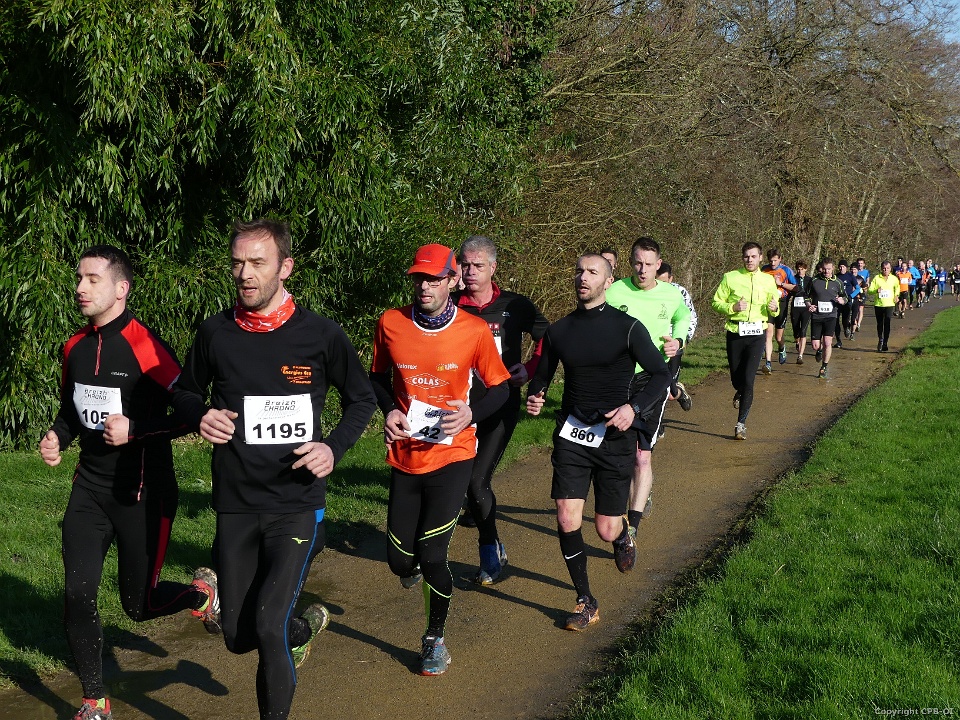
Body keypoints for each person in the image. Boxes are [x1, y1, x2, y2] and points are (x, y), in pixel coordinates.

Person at [172, 219, 376, 719]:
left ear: (285, 267)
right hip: (237, 502)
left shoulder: (321, 334)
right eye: (237, 263)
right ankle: (299, 632)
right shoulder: (215, 332)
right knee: (238, 637)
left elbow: (362, 399)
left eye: (257, 263)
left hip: (296, 502)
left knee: (267, 626)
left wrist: (333, 448)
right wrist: (200, 414)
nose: (244, 274)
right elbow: (183, 391)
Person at [40, 245, 218, 720]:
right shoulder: (74, 347)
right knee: (77, 595)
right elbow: (72, 410)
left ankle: (201, 595)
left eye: (92, 279)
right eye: (79, 278)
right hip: (90, 490)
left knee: (139, 606)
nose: (80, 288)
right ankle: (94, 701)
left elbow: (190, 412)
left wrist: (136, 430)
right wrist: (57, 436)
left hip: (143, 494)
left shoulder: (145, 346)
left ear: (121, 289)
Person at [370, 243, 511, 675]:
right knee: (400, 560)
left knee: (433, 554)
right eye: (419, 278)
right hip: (406, 454)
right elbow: (376, 377)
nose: (424, 286)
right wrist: (389, 410)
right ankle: (410, 568)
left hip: (454, 453)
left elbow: (501, 388)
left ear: (453, 280)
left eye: (433, 279)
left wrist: (472, 413)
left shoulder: (474, 330)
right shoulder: (391, 323)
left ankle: (435, 640)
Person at [526, 253, 670, 631]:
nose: (583, 277)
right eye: (579, 271)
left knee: (605, 528)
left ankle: (622, 538)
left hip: (614, 436)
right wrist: (536, 394)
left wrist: (633, 408)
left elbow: (660, 375)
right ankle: (586, 601)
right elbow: (542, 375)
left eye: (592, 272)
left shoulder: (628, 328)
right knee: (566, 515)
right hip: (572, 433)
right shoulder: (559, 331)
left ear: (608, 281)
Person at [455, 235, 549, 584]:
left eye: (478, 265)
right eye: (465, 264)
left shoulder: (516, 305)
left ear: (493, 268)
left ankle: (490, 551)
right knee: (460, 484)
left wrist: (531, 368)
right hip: (457, 406)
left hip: (499, 403)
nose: (470, 272)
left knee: (476, 481)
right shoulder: (449, 305)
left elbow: (548, 338)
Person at [606, 238, 690, 543]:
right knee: (621, 451)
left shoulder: (671, 293)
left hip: (653, 379)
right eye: (638, 263)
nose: (642, 270)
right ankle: (622, 505)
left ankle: (632, 528)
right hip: (617, 378)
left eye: (649, 264)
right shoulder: (615, 291)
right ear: (631, 262)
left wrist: (678, 341)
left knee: (642, 455)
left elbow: (683, 317)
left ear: (659, 265)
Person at [711, 242, 780, 440]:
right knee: (736, 377)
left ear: (760, 258)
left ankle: (741, 424)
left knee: (749, 379)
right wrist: (732, 308)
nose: (749, 260)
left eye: (753, 256)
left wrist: (774, 308)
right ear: (742, 258)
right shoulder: (730, 277)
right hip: (735, 332)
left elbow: (775, 307)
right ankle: (740, 391)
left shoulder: (768, 280)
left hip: (757, 334)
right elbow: (715, 302)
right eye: (746, 256)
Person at [656, 261, 697, 411]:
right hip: (654, 344)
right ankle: (654, 421)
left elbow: (690, 317)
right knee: (656, 385)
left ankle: (679, 393)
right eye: (657, 281)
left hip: (674, 346)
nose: (661, 285)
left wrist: (683, 339)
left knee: (670, 391)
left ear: (671, 279)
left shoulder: (680, 292)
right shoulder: (648, 293)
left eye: (664, 282)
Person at [806, 258, 848, 379]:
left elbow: (845, 297)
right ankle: (819, 351)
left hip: (831, 316)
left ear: (833, 268)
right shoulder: (814, 280)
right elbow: (806, 296)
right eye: (824, 269)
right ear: (821, 268)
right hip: (817, 316)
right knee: (815, 345)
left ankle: (824, 367)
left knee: (827, 342)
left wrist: (842, 300)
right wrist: (809, 305)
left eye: (829, 269)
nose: (826, 271)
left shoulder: (838, 282)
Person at [761, 249, 797, 370]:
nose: (772, 263)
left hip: (782, 302)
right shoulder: (764, 270)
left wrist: (781, 283)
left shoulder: (786, 270)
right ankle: (768, 363)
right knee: (768, 333)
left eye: (775, 260)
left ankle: (782, 348)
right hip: (769, 302)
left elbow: (795, 288)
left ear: (780, 259)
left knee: (778, 337)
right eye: (771, 260)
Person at [867, 261, 899, 352]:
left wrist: (896, 295)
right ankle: (880, 340)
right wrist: (876, 290)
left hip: (889, 304)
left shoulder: (894, 278)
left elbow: (897, 288)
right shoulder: (877, 278)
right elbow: (870, 290)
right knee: (880, 323)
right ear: (881, 269)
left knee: (887, 323)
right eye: (884, 268)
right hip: (879, 304)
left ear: (890, 269)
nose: (886, 270)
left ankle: (885, 343)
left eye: (888, 268)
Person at [790, 260, 813, 364]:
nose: (800, 271)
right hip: (795, 306)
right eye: (798, 269)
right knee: (796, 330)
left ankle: (800, 356)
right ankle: (797, 340)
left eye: (802, 269)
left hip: (806, 307)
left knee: (803, 330)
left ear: (806, 269)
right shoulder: (793, 279)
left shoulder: (810, 280)